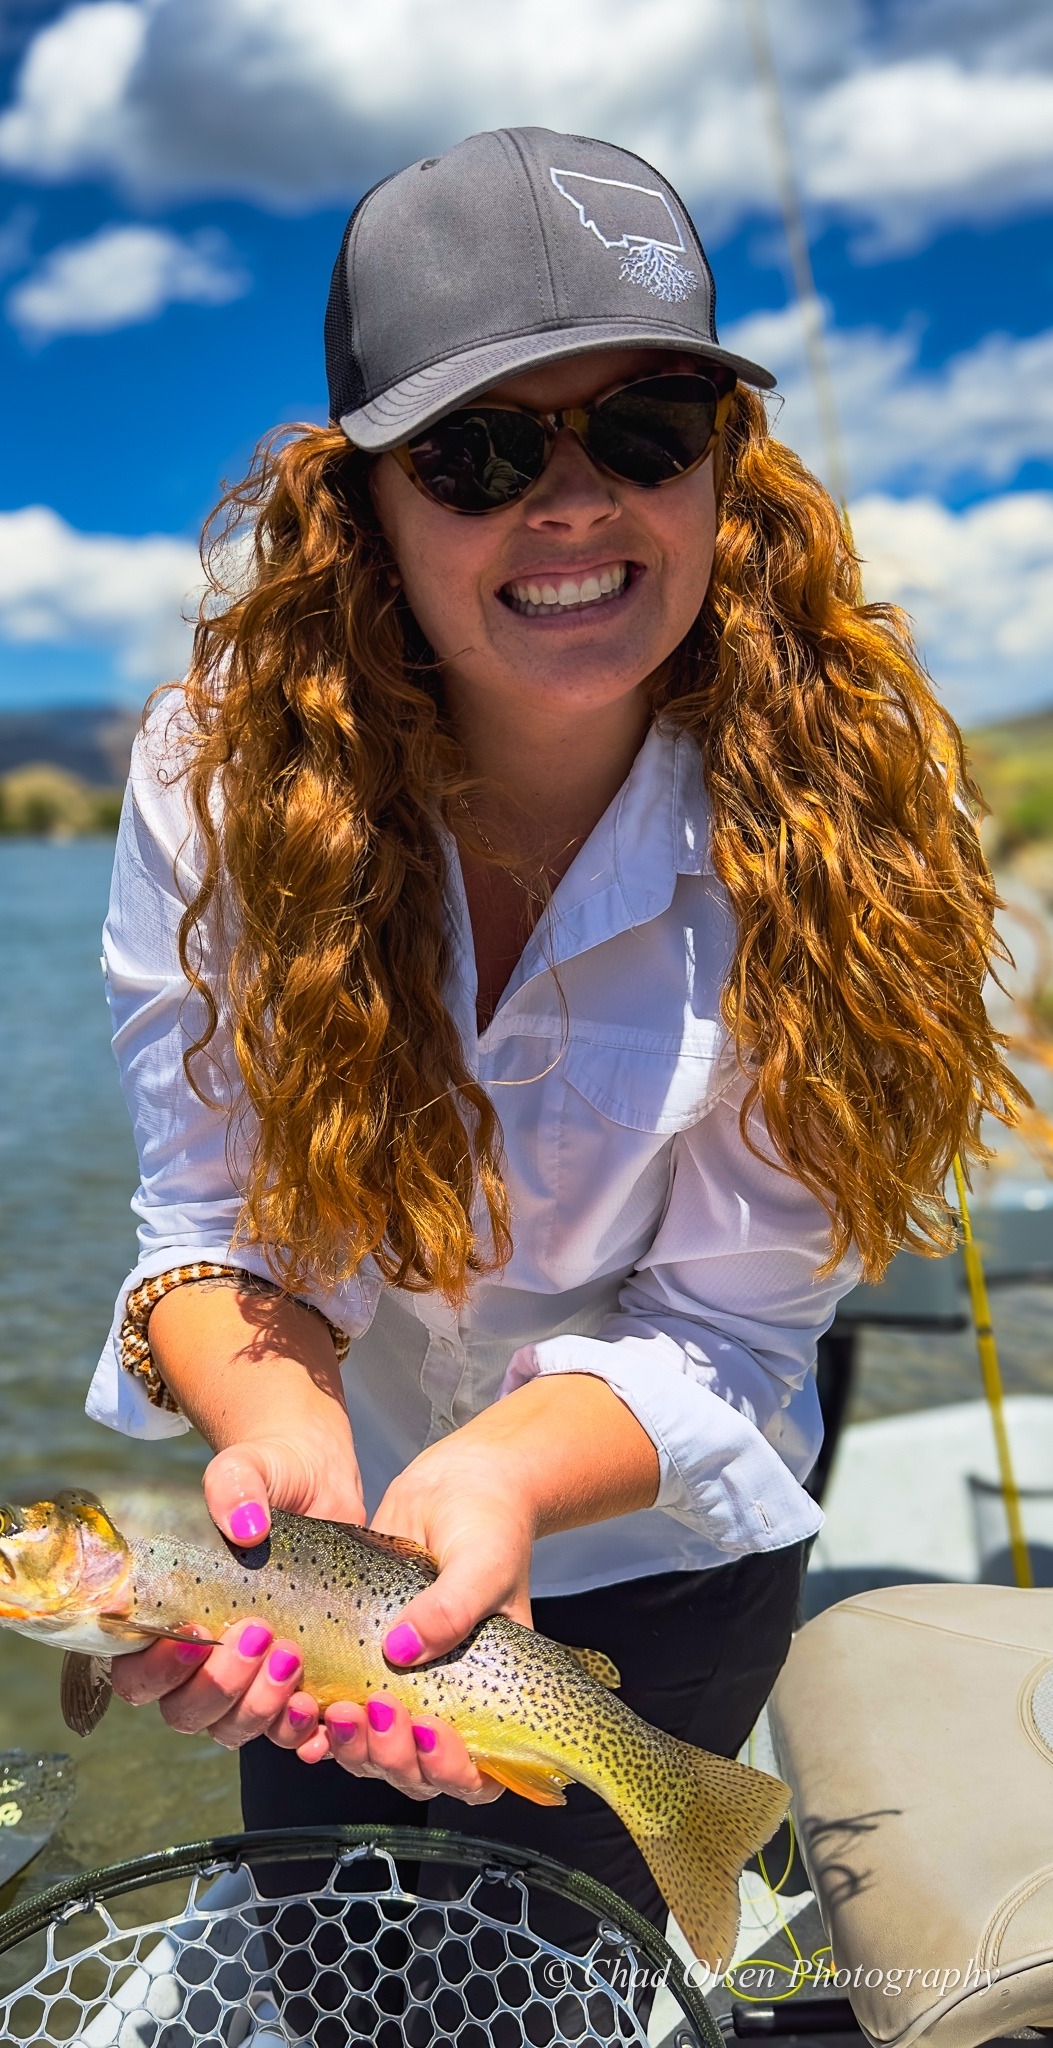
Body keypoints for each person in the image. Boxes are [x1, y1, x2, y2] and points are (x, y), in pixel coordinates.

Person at [84, 128, 1019, 1941]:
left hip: (663, 1533)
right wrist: (285, 1466)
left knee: (580, 1942)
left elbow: (740, 1322)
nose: (573, 502)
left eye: (647, 427)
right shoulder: (212, 777)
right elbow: (208, 1224)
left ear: (725, 468)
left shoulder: (847, 819)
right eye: (483, 450)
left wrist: (505, 1473)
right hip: (333, 1546)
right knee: (330, 1928)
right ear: (363, 502)